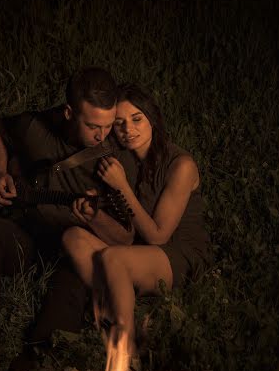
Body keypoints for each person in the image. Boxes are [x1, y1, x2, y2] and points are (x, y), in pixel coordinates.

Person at [0, 67, 139, 371]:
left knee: (74, 279)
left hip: (68, 251)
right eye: (93, 126)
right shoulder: (36, 129)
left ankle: (35, 365)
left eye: (109, 125)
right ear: (69, 113)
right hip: (26, 236)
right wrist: (1, 173)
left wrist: (94, 216)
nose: (103, 135)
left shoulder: (114, 159)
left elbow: (125, 238)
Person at [62, 83, 212, 356]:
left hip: (178, 253)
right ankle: (113, 308)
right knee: (73, 237)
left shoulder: (182, 165)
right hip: (139, 251)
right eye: (119, 123)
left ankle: (124, 348)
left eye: (136, 119)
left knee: (113, 258)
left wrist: (121, 187)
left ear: (152, 117)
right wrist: (96, 207)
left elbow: (158, 236)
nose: (128, 130)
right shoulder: (126, 162)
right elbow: (126, 223)